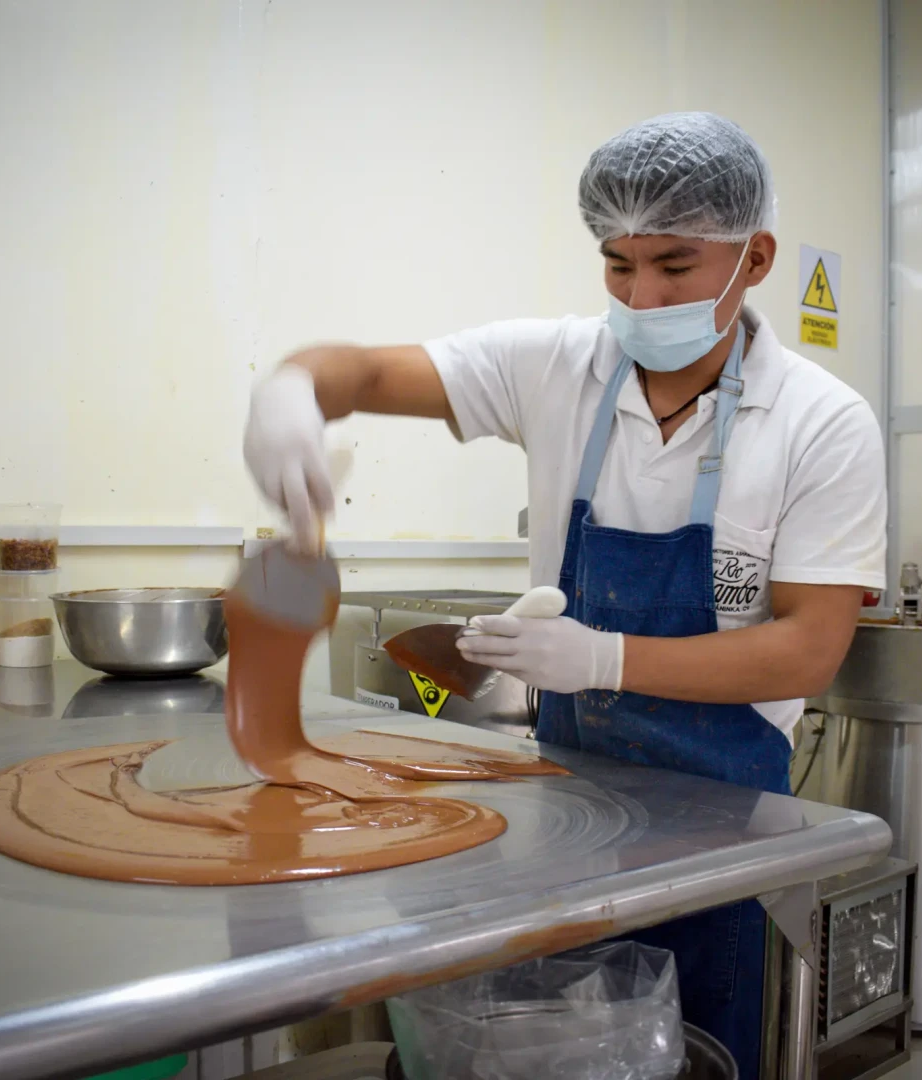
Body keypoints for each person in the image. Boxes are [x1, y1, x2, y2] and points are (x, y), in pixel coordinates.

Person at [242, 111, 886, 1076]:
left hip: (727, 835)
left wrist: (603, 657)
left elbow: (807, 650)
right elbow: (364, 371)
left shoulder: (821, 423)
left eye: (674, 266)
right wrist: (291, 394)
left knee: (700, 1053)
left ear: (755, 258)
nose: (641, 295)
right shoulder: (555, 367)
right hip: (568, 817)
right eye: (617, 265)